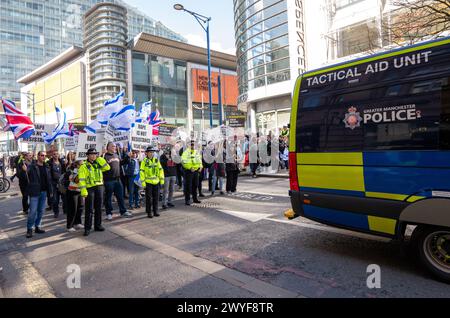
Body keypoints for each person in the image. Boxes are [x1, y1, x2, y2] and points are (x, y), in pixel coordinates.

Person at [78, 148, 110, 237]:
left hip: (99, 187)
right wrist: (83, 191)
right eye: (91, 154)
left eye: (95, 154)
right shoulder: (83, 166)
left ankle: (98, 225)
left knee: (99, 208)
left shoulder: (98, 163)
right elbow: (82, 180)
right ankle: (87, 228)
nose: (93, 156)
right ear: (87, 155)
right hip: (90, 189)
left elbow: (107, 167)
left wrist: (99, 157)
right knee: (89, 209)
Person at [25, 151, 52, 238]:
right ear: (38, 156)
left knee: (41, 211)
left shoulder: (47, 166)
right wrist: (24, 171)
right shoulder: (32, 166)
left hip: (44, 192)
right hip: (34, 192)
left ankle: (37, 226)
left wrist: (50, 192)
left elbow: (49, 180)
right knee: (33, 211)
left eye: (44, 155)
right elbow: (24, 176)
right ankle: (29, 229)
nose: (43, 157)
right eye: (41, 155)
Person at [103, 142, 132, 220]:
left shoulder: (116, 155)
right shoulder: (104, 156)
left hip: (118, 179)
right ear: (108, 147)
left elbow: (121, 163)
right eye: (113, 146)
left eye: (115, 146)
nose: (114, 147)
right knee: (108, 198)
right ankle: (109, 213)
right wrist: (101, 154)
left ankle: (123, 211)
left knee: (120, 196)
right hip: (108, 180)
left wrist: (127, 157)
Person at [140, 146, 165, 218]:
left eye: (152, 152)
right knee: (149, 198)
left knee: (156, 197)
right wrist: (143, 183)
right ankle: (149, 212)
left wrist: (162, 180)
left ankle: (155, 211)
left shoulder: (156, 160)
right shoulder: (144, 161)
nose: (151, 153)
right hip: (148, 182)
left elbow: (160, 170)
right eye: (150, 152)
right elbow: (142, 172)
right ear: (147, 153)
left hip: (156, 182)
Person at [181, 140, 203, 206]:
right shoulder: (185, 153)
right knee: (188, 186)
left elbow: (199, 160)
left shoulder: (196, 152)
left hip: (196, 171)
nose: (192, 146)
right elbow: (184, 162)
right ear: (188, 145)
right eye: (191, 145)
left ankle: (195, 198)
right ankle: (187, 200)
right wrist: (190, 168)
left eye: (193, 145)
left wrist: (201, 166)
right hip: (189, 171)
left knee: (195, 185)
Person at [65, 160, 84, 232]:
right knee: (73, 209)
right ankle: (69, 226)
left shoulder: (82, 171)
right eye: (81, 164)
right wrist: (76, 173)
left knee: (80, 207)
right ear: (77, 165)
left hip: (79, 192)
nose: (83, 165)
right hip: (72, 192)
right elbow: (73, 181)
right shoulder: (71, 171)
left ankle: (78, 222)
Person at [48, 151, 65, 218]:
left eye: (57, 154)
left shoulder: (62, 162)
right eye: (54, 154)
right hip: (54, 184)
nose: (55, 155)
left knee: (64, 198)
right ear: (52, 155)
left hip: (61, 183)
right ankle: (56, 212)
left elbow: (65, 171)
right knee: (55, 199)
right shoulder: (49, 163)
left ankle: (65, 210)